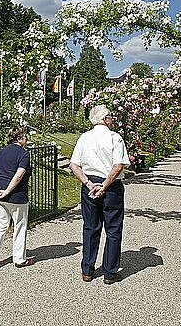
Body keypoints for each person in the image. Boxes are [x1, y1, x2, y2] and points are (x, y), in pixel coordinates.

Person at [69, 105, 130, 283]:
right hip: (110, 186)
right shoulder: (114, 137)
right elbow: (118, 165)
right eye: (110, 116)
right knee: (113, 229)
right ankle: (110, 273)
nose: (112, 118)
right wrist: (103, 186)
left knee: (90, 228)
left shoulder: (84, 138)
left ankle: (87, 269)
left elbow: (74, 165)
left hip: (90, 184)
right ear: (105, 119)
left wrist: (88, 184)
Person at [0, 127, 35, 269]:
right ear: (19, 139)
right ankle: (19, 259)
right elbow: (19, 175)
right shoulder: (24, 154)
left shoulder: (1, 152)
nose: (26, 140)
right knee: (20, 226)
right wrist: (7, 191)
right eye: (25, 137)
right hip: (17, 197)